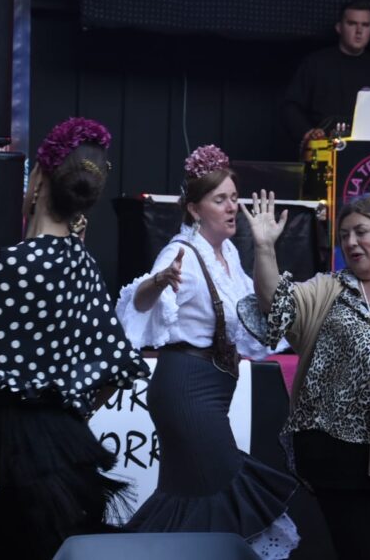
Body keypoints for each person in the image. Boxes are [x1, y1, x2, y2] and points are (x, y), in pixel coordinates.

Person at [0, 117, 150, 560]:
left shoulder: (18, 262)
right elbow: (117, 367)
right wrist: (71, 408)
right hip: (68, 445)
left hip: (24, 448)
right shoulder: (83, 264)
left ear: (39, 178)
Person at [116, 144, 300, 560]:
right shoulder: (179, 251)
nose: (232, 207)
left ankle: (149, 552)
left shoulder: (229, 254)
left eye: (234, 198)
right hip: (186, 388)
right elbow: (139, 302)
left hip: (213, 390)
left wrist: (266, 247)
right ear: (195, 209)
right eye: (220, 200)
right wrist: (158, 281)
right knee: (221, 483)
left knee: (188, 493)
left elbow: (257, 316)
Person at [238, 191, 370, 559]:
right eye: (344, 235)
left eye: (361, 232)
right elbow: (275, 305)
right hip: (336, 452)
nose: (351, 242)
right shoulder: (329, 288)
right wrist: (264, 248)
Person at [281, 0, 370, 155]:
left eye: (365, 25)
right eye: (352, 24)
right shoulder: (315, 63)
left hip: (369, 152)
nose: (359, 31)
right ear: (339, 27)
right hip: (324, 149)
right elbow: (290, 106)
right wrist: (308, 133)